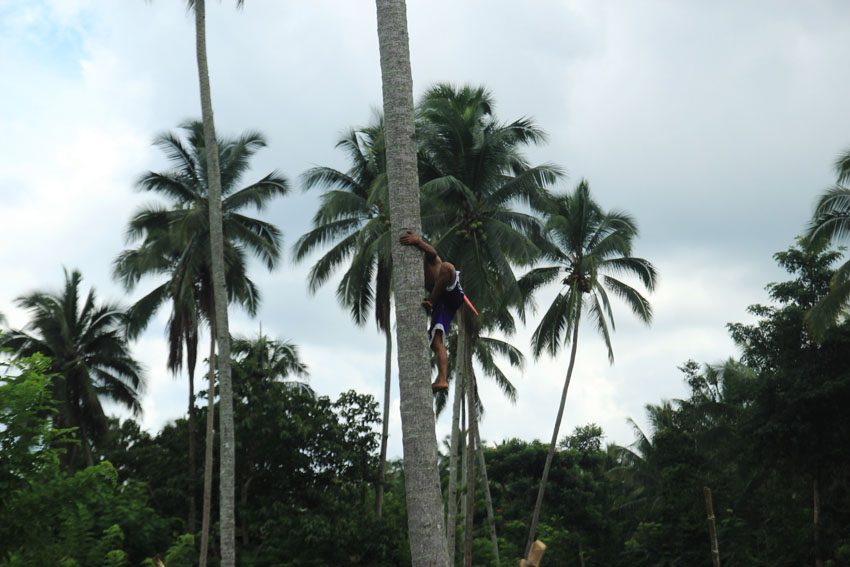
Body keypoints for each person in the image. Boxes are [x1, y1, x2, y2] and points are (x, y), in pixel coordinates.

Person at [399, 231, 465, 392]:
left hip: (451, 292)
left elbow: (433, 252)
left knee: (447, 266)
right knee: (436, 342)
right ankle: (442, 379)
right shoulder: (413, 275)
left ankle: (431, 300)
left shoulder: (429, 260)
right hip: (442, 303)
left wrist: (417, 241)